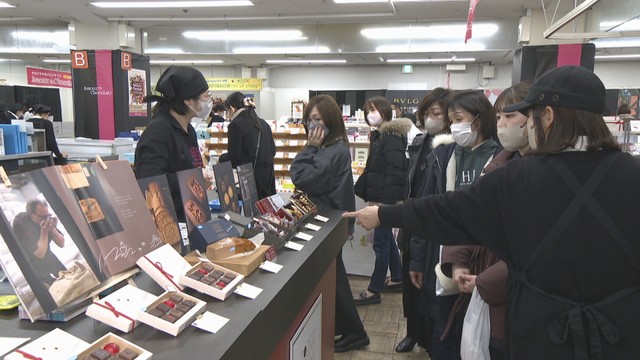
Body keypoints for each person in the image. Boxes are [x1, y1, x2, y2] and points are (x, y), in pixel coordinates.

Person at [344, 65, 640, 360]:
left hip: (542, 335)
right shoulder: (632, 174)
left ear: (548, 116)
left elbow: (448, 211)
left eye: (530, 116)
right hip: (621, 333)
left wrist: (384, 215)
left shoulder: (520, 177)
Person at [440, 82, 532, 360]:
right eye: (500, 116)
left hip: (516, 305)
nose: (502, 124)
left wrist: (485, 281)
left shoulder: (544, 174)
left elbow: (533, 251)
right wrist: (457, 263)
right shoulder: (498, 165)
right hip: (481, 289)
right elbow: (471, 218)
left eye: (510, 116)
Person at [289, 94, 370, 353]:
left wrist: (308, 149)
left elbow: (301, 178)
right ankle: (346, 327)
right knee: (334, 277)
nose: (312, 126)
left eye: (317, 120)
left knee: (336, 280)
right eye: (308, 120)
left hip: (327, 222)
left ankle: (355, 332)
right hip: (331, 221)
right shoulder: (334, 146)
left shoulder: (331, 150)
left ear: (330, 120)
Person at [395, 87, 454, 354]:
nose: (430, 118)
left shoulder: (451, 149)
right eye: (427, 113)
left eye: (437, 113)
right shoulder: (419, 143)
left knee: (430, 286)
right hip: (412, 223)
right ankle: (413, 333)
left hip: (433, 228)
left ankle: (429, 338)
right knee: (411, 286)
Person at [134, 65, 213, 222]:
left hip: (190, 216)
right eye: (205, 96)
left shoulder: (188, 129)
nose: (209, 101)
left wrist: (200, 178)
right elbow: (150, 181)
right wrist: (192, 180)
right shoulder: (158, 132)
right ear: (188, 100)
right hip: (168, 221)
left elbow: (189, 169)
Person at [354, 96, 411, 306]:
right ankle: (397, 277)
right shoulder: (380, 135)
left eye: (374, 109)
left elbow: (395, 172)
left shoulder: (390, 137)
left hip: (385, 200)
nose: (371, 114)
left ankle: (374, 289)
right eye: (368, 110)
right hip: (382, 198)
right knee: (386, 241)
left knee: (380, 244)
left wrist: (382, 206)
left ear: (385, 112)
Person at [224, 91, 276, 199]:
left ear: (232, 108)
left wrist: (221, 159)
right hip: (268, 178)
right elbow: (273, 151)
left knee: (251, 212)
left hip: (251, 178)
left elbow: (234, 156)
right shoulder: (264, 123)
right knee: (266, 211)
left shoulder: (235, 125)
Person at [12, 199, 66, 287]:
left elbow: (61, 244)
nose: (46, 219)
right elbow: (39, 254)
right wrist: (44, 231)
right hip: (32, 262)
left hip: (47, 254)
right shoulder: (21, 223)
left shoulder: (45, 218)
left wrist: (52, 228)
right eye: (43, 217)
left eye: (48, 216)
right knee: (54, 288)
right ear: (32, 215)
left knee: (67, 278)